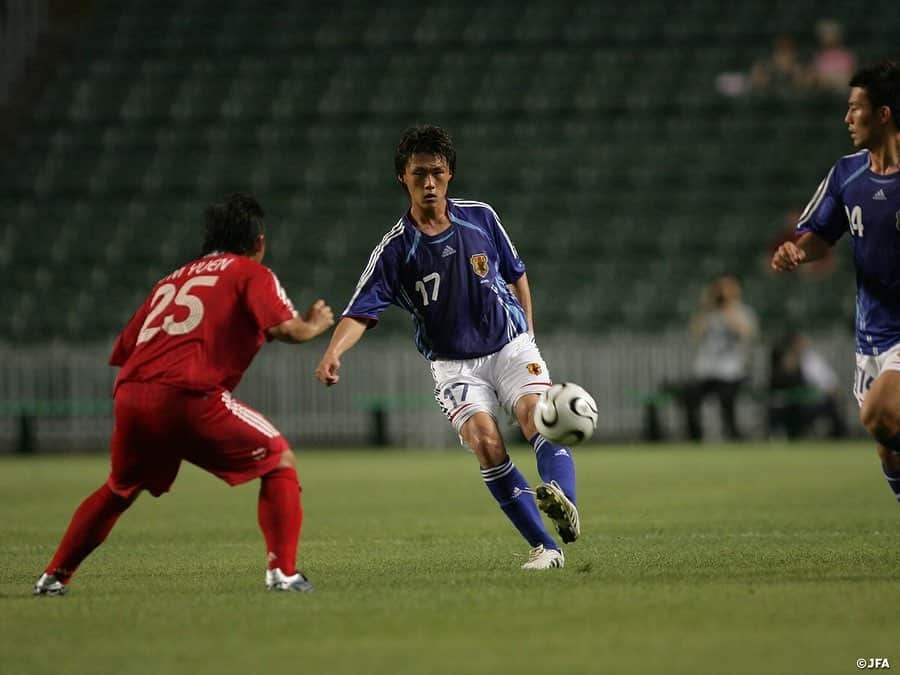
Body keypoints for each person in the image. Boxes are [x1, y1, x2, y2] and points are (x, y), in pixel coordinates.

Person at [32, 193, 335, 595]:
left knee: (119, 488)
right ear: (259, 241)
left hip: (132, 393)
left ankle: (53, 577)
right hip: (189, 395)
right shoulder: (249, 272)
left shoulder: (172, 279)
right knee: (279, 460)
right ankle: (283, 573)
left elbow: (130, 347)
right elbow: (287, 330)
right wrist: (315, 325)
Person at [314, 125, 578, 570]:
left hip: (510, 344)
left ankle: (564, 503)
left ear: (450, 173)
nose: (429, 182)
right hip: (454, 365)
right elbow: (359, 311)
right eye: (419, 174)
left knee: (536, 415)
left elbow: (516, 272)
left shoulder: (482, 217)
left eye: (436, 172)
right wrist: (333, 352)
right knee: (485, 442)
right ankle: (545, 547)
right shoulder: (395, 250)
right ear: (403, 178)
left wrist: (528, 332)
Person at [771, 59, 900, 504]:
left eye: (854, 108)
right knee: (886, 445)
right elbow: (820, 238)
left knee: (881, 415)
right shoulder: (848, 174)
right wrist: (797, 251)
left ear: (883, 113)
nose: (847, 119)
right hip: (871, 335)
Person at [680, 276, 759, 441]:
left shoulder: (743, 312)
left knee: (727, 398)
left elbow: (746, 333)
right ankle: (695, 435)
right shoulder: (709, 314)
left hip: (731, 370)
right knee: (689, 395)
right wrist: (707, 308)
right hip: (707, 370)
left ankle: (732, 434)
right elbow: (695, 332)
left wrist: (729, 311)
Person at [767, 331, 847, 439]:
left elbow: (828, 384)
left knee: (831, 404)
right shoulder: (780, 359)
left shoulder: (809, 360)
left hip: (805, 404)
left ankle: (838, 436)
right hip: (789, 405)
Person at [811, 19, 856, 94]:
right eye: (825, 33)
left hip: (843, 95)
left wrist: (828, 79)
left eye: (831, 33)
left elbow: (848, 78)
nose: (828, 36)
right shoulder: (818, 56)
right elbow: (815, 78)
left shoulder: (846, 55)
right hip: (822, 94)